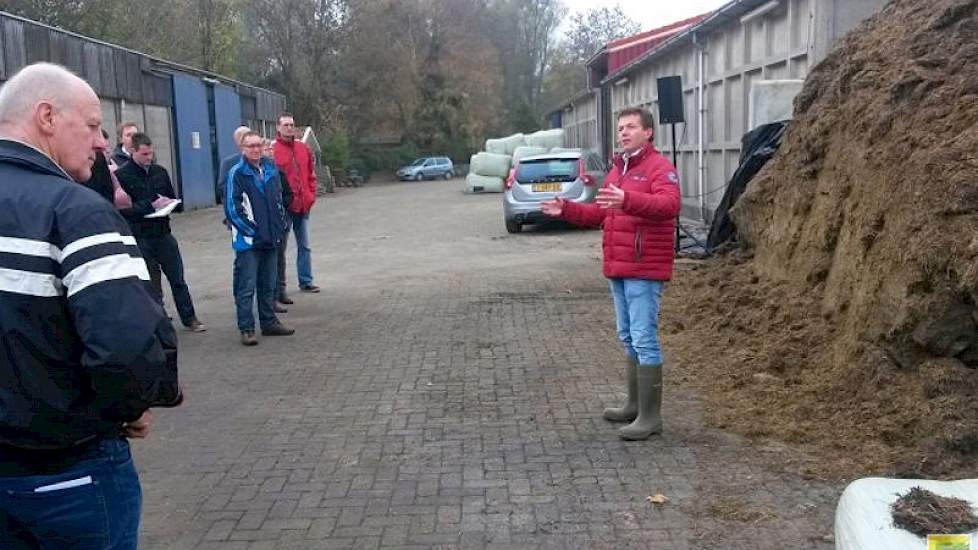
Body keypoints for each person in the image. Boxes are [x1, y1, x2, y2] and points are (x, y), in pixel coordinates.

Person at [0, 62, 182, 549]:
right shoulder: (75, 210)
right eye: (94, 125)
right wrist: (134, 403)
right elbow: (123, 344)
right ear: (46, 117)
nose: (103, 142)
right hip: (70, 473)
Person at [541, 107, 681, 441]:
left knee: (645, 339)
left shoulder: (660, 168)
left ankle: (651, 418)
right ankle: (634, 406)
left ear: (649, 132)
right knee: (628, 336)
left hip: (643, 268)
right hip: (618, 267)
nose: (623, 132)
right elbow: (600, 214)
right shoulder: (618, 169)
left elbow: (669, 206)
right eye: (620, 128)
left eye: (631, 127)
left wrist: (627, 199)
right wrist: (568, 210)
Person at [116, 132, 206, 332]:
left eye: (151, 153)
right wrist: (150, 205)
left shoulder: (160, 172)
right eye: (144, 154)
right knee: (151, 283)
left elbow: (170, 195)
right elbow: (123, 211)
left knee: (178, 278)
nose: (149, 158)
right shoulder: (122, 176)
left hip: (163, 233)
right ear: (133, 151)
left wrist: (171, 203)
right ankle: (159, 321)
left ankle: (190, 318)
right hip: (141, 235)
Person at [226, 131, 295, 345]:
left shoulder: (271, 169)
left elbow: (278, 200)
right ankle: (246, 328)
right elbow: (233, 207)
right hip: (249, 241)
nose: (256, 150)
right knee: (246, 287)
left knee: (268, 284)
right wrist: (251, 231)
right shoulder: (237, 173)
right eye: (251, 146)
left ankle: (269, 322)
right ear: (243, 149)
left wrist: (281, 225)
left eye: (258, 145)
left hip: (272, 237)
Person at [272, 113, 320, 300]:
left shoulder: (303, 149)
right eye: (285, 125)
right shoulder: (273, 150)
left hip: (303, 205)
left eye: (292, 124)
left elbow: (310, 174)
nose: (289, 128)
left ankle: (306, 281)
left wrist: (311, 195)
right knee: (280, 249)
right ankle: (278, 288)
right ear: (278, 127)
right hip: (285, 207)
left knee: (305, 245)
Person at [263, 138, 292, 314]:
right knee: (268, 262)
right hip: (263, 226)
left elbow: (288, 193)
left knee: (279, 258)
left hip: (280, 221)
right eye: (267, 149)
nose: (270, 152)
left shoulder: (278, 172)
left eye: (271, 150)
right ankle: (269, 299)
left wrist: (283, 207)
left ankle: (279, 292)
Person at [216, 125, 252, 209]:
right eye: (245, 137)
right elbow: (223, 188)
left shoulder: (264, 161)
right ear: (238, 141)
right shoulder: (229, 163)